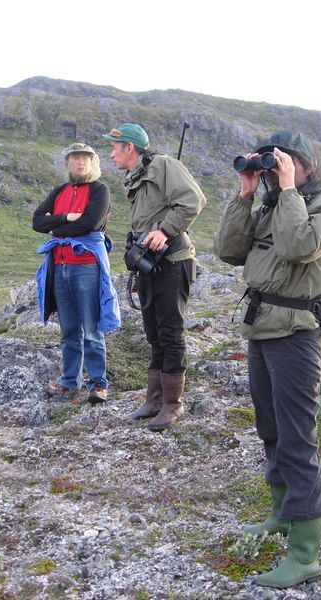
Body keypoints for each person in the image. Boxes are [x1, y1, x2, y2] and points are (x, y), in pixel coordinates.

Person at [213, 130, 321, 588]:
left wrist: (287, 189)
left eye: (283, 162)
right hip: (261, 328)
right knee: (270, 428)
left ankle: (306, 552)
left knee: (297, 438)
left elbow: (298, 248)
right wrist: (245, 196)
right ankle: (281, 516)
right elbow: (229, 251)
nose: (274, 169)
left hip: (295, 334)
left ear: (305, 163)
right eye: (271, 163)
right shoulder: (270, 203)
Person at [103, 123, 207, 431]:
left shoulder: (162, 165)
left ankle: (173, 405)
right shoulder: (136, 175)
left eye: (114, 147)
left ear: (130, 148)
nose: (111, 153)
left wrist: (164, 230)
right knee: (153, 333)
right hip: (150, 263)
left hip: (173, 261)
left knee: (170, 332)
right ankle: (154, 399)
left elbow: (193, 199)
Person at [33, 142, 120, 404]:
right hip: (59, 268)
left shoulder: (99, 190)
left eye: (85, 158)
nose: (80, 162)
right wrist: (68, 217)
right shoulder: (59, 191)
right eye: (75, 158)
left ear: (93, 163)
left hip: (86, 267)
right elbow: (37, 221)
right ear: (67, 163)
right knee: (69, 329)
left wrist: (57, 226)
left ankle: (98, 383)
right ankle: (69, 382)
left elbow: (91, 223)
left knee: (91, 329)